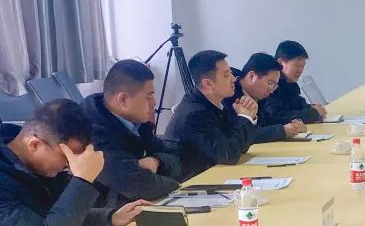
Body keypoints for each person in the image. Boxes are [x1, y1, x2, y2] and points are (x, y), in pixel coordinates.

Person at [0, 100, 149, 226]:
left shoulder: (38, 166)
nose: (71, 165)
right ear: (35, 144)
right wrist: (83, 179)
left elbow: (55, 218)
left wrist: (110, 218)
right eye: (67, 157)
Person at [81, 60, 183, 204]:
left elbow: (178, 156)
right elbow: (140, 187)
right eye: (149, 97)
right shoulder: (92, 133)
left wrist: (157, 161)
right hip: (105, 213)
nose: (154, 103)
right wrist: (176, 184)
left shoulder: (136, 122)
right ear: (123, 99)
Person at [164, 50, 259, 181]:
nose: (233, 79)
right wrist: (244, 118)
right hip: (190, 184)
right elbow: (230, 156)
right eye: (226, 75)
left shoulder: (213, 104)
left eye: (231, 73)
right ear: (208, 84)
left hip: (211, 176)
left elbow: (241, 147)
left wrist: (250, 117)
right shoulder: (195, 114)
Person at [227, 53, 306, 143]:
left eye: (274, 86)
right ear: (252, 76)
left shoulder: (259, 96)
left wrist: (292, 124)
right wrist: (280, 131)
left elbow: (267, 121)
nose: (271, 91)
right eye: (270, 83)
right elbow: (238, 135)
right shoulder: (229, 96)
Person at [261, 40, 325, 124]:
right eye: (297, 66)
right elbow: (276, 116)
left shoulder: (290, 84)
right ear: (280, 63)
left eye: (302, 66)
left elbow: (297, 106)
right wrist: (313, 113)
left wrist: (312, 108)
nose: (300, 70)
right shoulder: (271, 86)